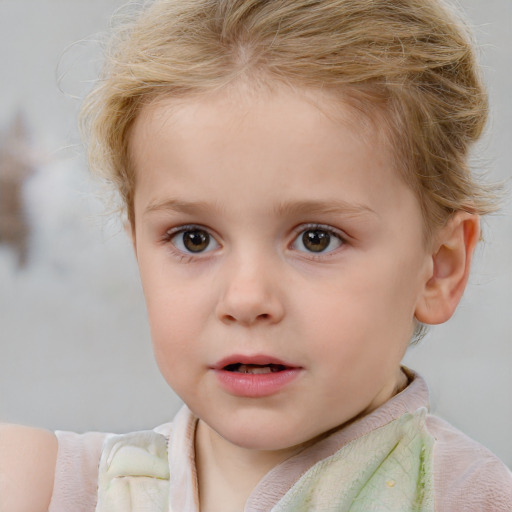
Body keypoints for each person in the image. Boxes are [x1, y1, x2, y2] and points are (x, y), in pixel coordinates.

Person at [1, 0, 511, 510]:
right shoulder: (47, 487)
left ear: (438, 269)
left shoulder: (469, 498)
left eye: (316, 239)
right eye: (193, 238)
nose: (246, 299)